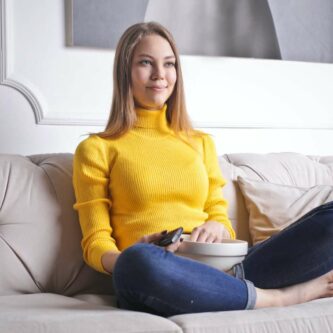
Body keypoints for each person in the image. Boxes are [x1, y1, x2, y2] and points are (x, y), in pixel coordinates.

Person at [72, 21, 333, 317]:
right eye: (146, 63)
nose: (160, 75)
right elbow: (95, 242)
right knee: (136, 261)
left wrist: (218, 228)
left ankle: (230, 290)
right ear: (125, 72)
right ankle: (275, 299)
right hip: (156, 275)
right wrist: (131, 253)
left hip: (221, 269)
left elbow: (220, 216)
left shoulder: (201, 143)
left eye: (169, 64)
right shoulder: (96, 149)